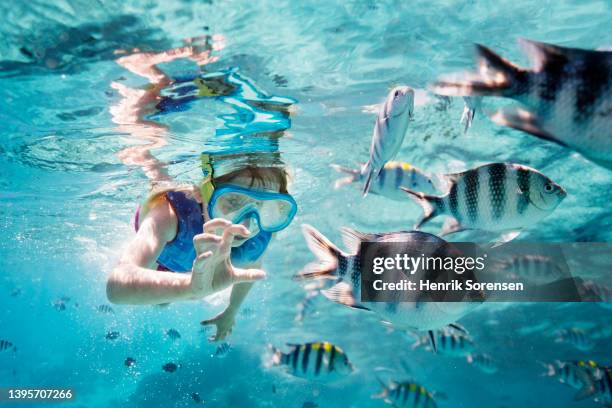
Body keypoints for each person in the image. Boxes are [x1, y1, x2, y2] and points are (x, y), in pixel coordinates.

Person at [106, 37, 297, 341]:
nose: (246, 224)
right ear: (202, 192)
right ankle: (157, 79)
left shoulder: (259, 228)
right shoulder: (170, 214)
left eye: (264, 207)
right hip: (168, 252)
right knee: (150, 162)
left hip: (189, 268)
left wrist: (230, 312)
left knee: (163, 301)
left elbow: (248, 271)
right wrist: (191, 289)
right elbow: (117, 286)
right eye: (232, 200)